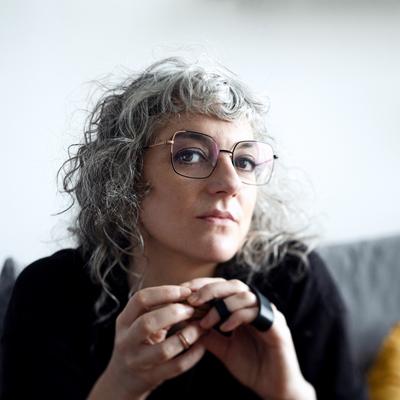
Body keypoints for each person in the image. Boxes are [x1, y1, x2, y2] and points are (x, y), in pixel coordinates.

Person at [0, 57, 367, 400]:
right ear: (125, 177)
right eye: (191, 155)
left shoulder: (295, 278)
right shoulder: (51, 292)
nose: (231, 183)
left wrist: (289, 392)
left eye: (244, 162)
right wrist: (119, 386)